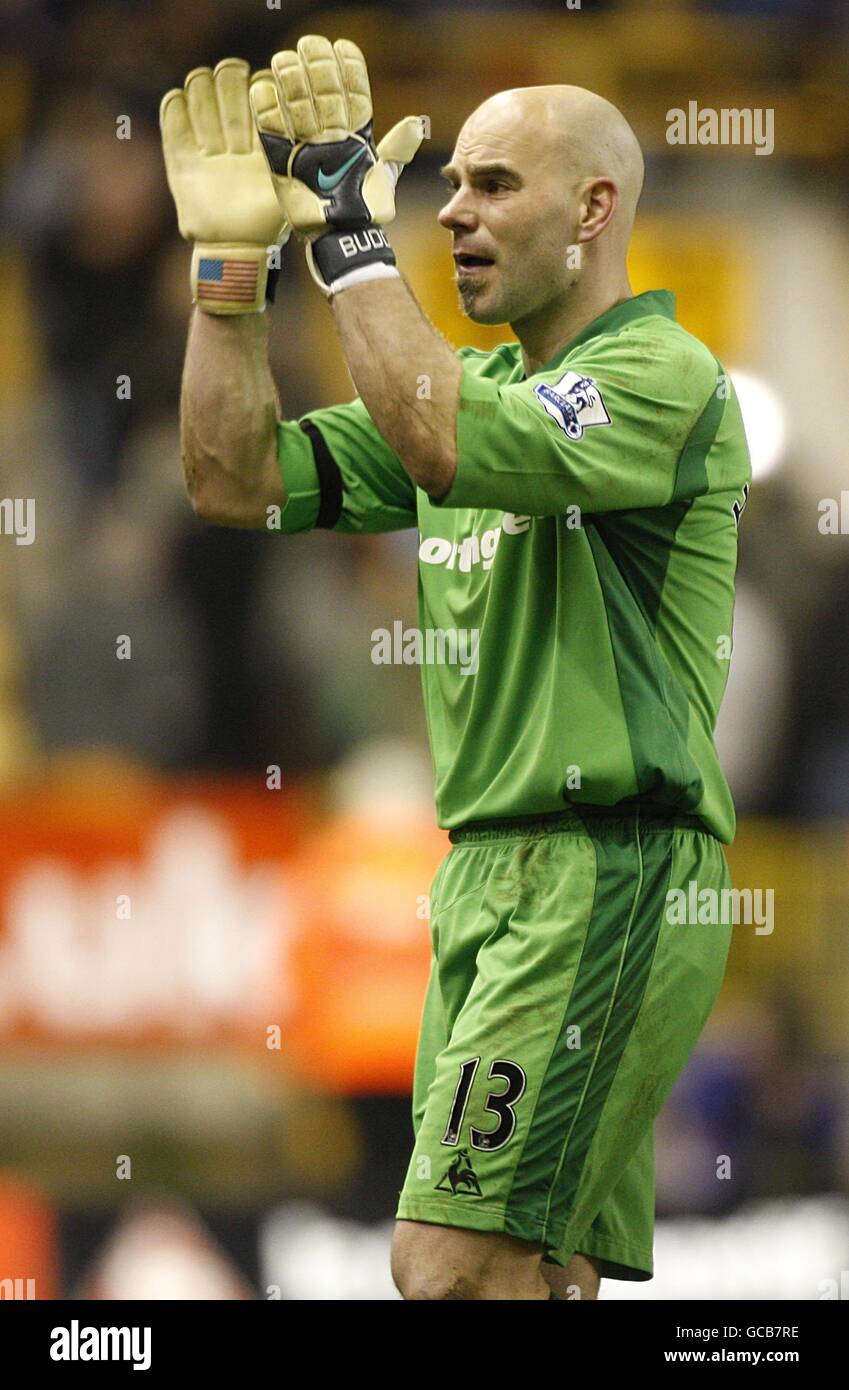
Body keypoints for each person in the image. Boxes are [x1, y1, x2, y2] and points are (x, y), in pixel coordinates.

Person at [160, 36, 751, 1300]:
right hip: (489, 877)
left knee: (444, 1267)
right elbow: (234, 479)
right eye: (450, 185)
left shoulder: (662, 374)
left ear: (594, 208)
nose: (454, 211)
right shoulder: (466, 386)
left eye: (492, 184)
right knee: (539, 1275)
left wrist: (342, 222)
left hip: (610, 867)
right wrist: (228, 274)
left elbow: (439, 441)